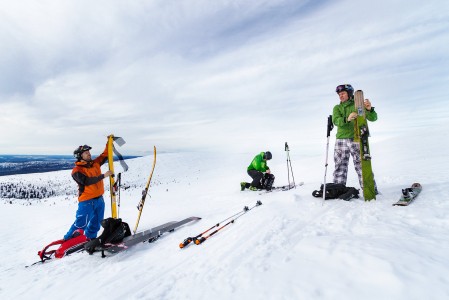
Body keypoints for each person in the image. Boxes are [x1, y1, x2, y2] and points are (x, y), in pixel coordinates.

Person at [332, 84, 378, 192]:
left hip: (357, 138)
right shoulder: (337, 108)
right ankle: (338, 190)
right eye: (339, 94)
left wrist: (369, 109)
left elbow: (373, 118)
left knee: (361, 165)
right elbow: (336, 121)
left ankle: (370, 190)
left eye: (343, 93)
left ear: (349, 93)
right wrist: (346, 119)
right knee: (340, 165)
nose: (340, 96)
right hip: (341, 140)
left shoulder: (358, 105)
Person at [63, 144, 112, 240]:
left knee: (96, 223)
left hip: (99, 200)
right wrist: (103, 176)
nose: (89, 154)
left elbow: (104, 155)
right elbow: (86, 181)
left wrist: (108, 143)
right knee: (80, 224)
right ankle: (67, 241)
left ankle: (90, 240)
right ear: (80, 156)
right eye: (86, 153)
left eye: (89, 152)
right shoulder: (76, 170)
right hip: (87, 202)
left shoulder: (95, 163)